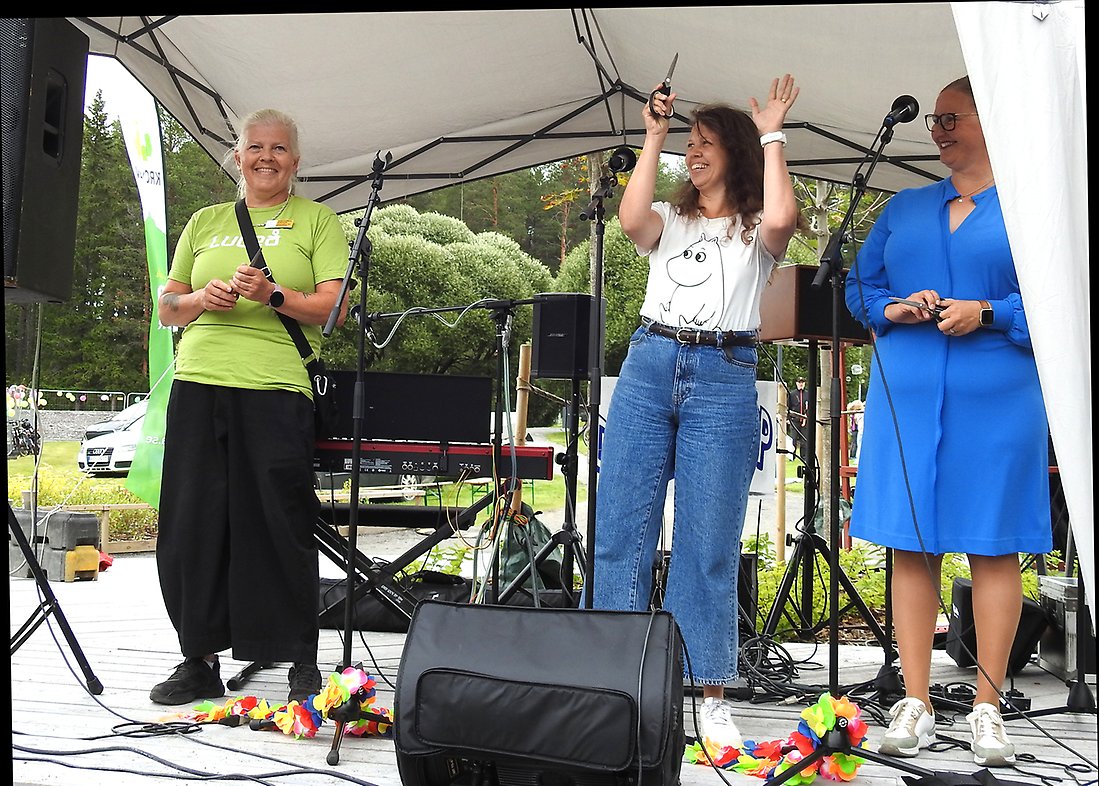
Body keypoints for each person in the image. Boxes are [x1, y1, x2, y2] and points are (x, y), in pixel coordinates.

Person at [844, 76, 1050, 767]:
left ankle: (988, 707)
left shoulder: (1030, 210)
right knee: (911, 543)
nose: (935, 128)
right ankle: (916, 701)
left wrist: (986, 312)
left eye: (949, 117)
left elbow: (1058, 299)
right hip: (906, 395)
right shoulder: (903, 207)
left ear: (989, 120)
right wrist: (894, 308)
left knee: (991, 545)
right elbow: (859, 289)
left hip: (997, 396)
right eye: (931, 118)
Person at [594, 75, 802, 751]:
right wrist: (653, 134)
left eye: (707, 142)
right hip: (651, 364)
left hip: (722, 373)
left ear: (735, 152)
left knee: (707, 546)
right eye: (692, 141)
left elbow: (781, 220)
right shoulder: (671, 216)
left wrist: (772, 133)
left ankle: (708, 696)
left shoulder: (751, 229)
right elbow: (629, 222)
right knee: (621, 530)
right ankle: (612, 685)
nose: (696, 151)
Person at [150, 108, 349, 707]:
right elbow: (167, 307)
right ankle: (198, 657)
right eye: (255, 147)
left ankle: (298, 657)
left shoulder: (318, 221)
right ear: (236, 157)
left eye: (279, 149)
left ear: (296, 160)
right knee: (192, 524)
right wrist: (200, 300)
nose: (267, 157)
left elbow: (331, 312)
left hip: (275, 387)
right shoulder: (204, 222)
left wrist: (274, 294)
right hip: (198, 381)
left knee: (278, 523)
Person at [786, 376, 810, 461]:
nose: (801, 384)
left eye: (802, 382)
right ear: (796, 383)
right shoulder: (792, 394)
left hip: (805, 420)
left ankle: (804, 457)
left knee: (804, 439)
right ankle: (792, 456)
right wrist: (788, 419)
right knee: (794, 439)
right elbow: (788, 406)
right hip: (794, 420)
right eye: (799, 382)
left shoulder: (808, 394)